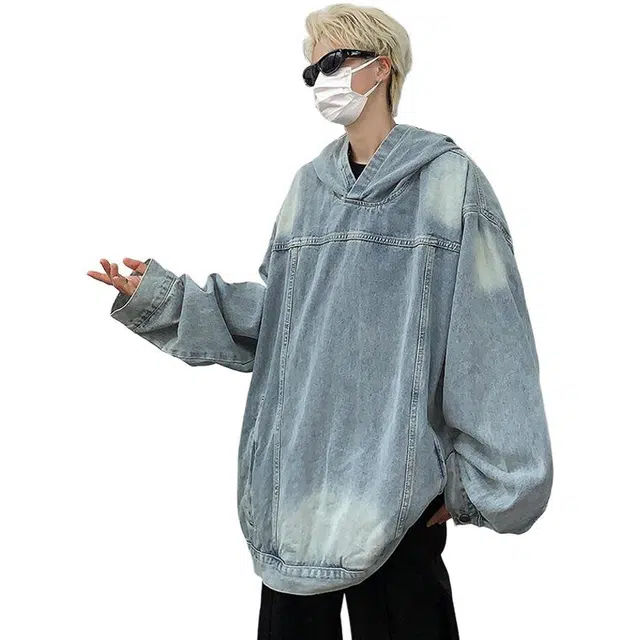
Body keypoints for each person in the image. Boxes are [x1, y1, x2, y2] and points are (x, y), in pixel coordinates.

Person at [88, 3, 554, 638]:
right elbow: (283, 322)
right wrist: (166, 298)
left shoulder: (449, 185)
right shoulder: (308, 190)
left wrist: (483, 484)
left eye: (333, 63)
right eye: (312, 72)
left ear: (381, 66)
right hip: (299, 487)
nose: (320, 82)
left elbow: (491, 339)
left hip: (397, 492)